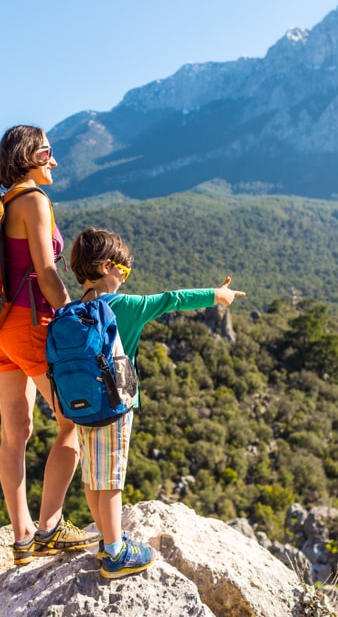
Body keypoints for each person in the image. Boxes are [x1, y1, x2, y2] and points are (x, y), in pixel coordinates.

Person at [67, 227, 246, 578]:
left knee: (92, 476)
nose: (125, 277)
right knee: (112, 479)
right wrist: (217, 295)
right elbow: (172, 299)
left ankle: (105, 539)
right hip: (115, 405)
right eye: (124, 271)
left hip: (80, 405)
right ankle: (116, 553)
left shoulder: (72, 311)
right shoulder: (125, 306)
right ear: (106, 267)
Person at [0, 125, 100, 565]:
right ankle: (50, 527)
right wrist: (74, 317)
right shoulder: (34, 200)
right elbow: (46, 272)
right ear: (29, 155)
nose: (54, 161)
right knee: (78, 420)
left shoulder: (3, 202)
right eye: (48, 152)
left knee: (15, 434)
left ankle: (21, 536)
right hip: (30, 324)